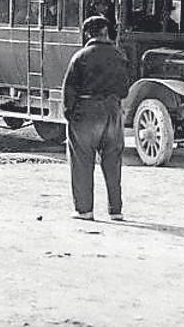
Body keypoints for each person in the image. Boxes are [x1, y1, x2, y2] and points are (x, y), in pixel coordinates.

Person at [63, 15, 131, 221]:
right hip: (113, 111)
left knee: (82, 162)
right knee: (113, 162)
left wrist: (70, 113)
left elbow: (69, 90)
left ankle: (84, 210)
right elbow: (125, 89)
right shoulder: (120, 56)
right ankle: (116, 211)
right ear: (106, 32)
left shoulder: (80, 57)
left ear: (87, 34)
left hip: (86, 112)